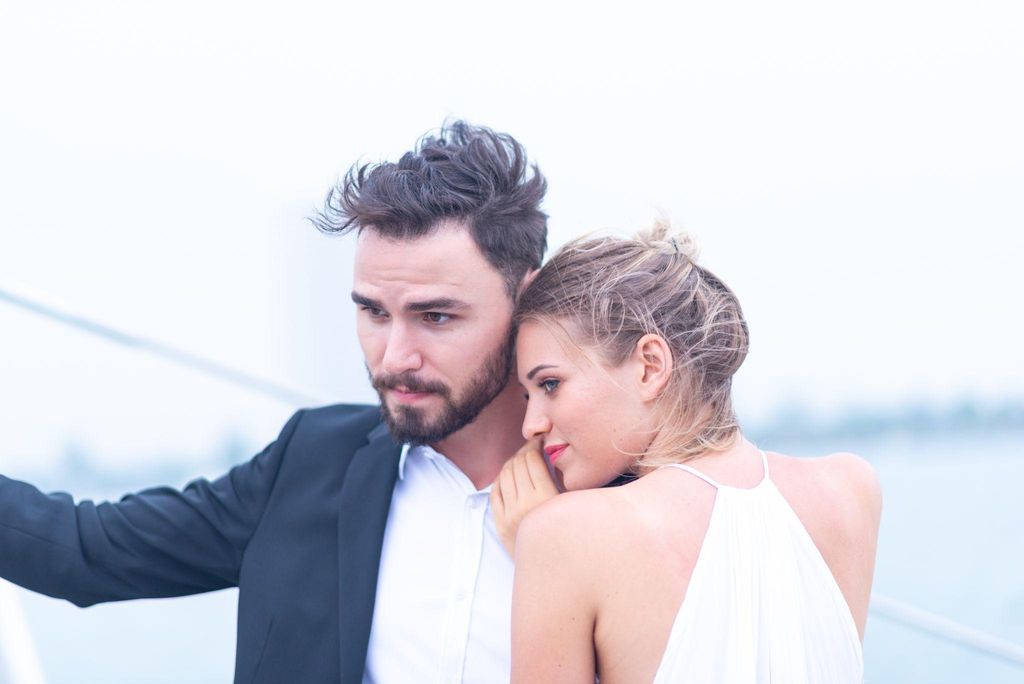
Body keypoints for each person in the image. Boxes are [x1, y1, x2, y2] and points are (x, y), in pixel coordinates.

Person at [0, 121, 546, 683]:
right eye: (375, 313)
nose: (395, 357)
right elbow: (86, 550)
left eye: (436, 317)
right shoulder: (311, 460)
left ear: (527, 299)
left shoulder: (614, 486)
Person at [491, 222, 882, 683]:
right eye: (527, 396)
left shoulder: (564, 535)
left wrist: (544, 564)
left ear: (650, 366)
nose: (531, 425)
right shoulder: (851, 489)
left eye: (550, 384)